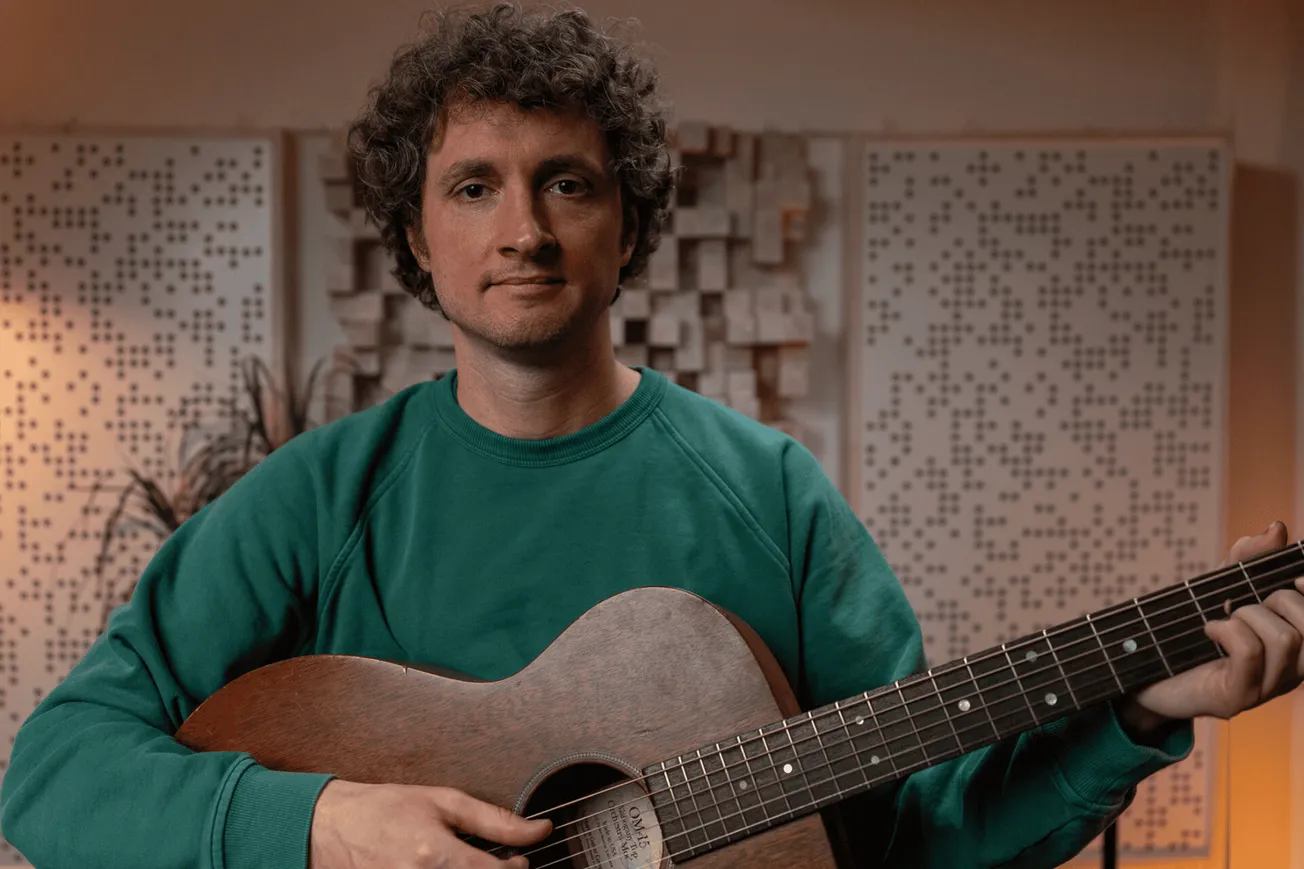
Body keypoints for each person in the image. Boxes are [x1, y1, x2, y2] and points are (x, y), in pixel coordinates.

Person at [3, 4, 1303, 868]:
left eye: (567, 183)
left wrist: (1127, 711)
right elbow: (51, 775)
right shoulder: (315, 499)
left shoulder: (772, 499)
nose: (523, 229)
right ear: (416, 239)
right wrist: (326, 822)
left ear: (628, 225)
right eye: (474, 188)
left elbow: (911, 836)